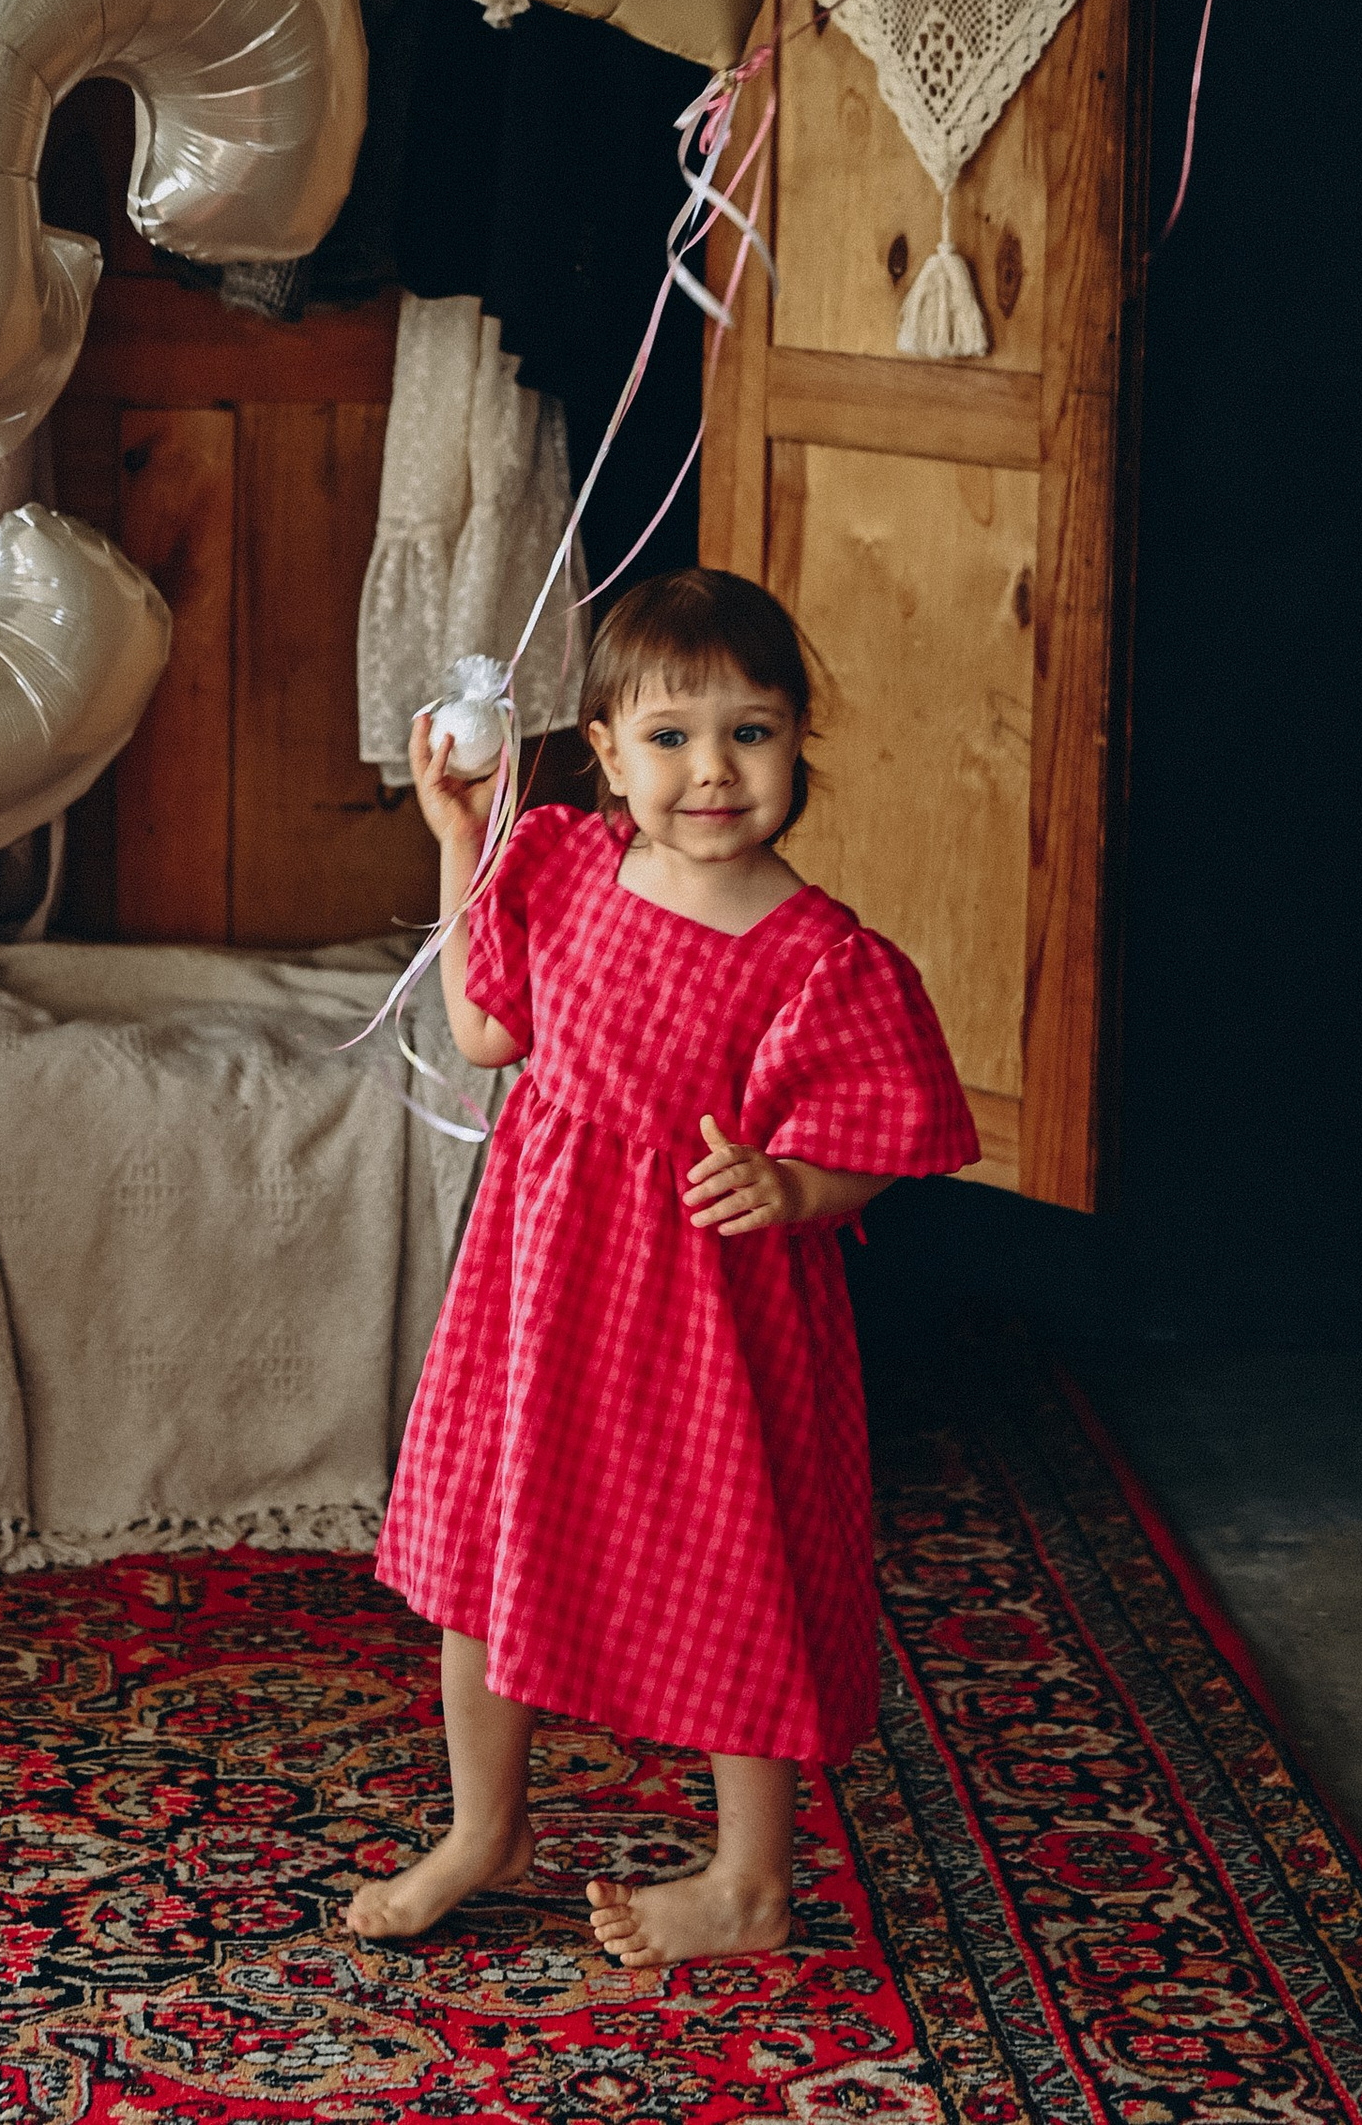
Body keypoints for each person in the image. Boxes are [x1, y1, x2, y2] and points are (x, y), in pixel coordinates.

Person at [346, 565, 978, 1967]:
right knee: (489, 1552)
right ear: (609, 749)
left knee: (731, 1567)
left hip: (712, 1312)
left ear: (799, 742)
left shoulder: (821, 957)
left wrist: (797, 1182)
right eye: (673, 737)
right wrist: (459, 839)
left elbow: (889, 1128)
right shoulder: (563, 862)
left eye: (749, 733)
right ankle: (486, 1827)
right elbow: (487, 1034)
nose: (711, 771)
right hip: (543, 1285)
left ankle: (751, 1879)